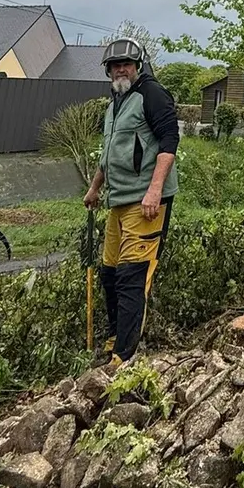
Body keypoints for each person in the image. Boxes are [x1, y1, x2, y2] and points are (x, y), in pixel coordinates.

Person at [83, 37, 179, 365]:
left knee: (132, 277)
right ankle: (114, 338)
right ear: (108, 71)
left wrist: (154, 190)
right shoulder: (114, 104)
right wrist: (95, 189)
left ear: (138, 66)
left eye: (126, 63)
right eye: (114, 65)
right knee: (109, 273)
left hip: (146, 202)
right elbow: (109, 154)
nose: (120, 69)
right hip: (118, 200)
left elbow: (169, 142)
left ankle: (124, 356)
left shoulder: (151, 95)